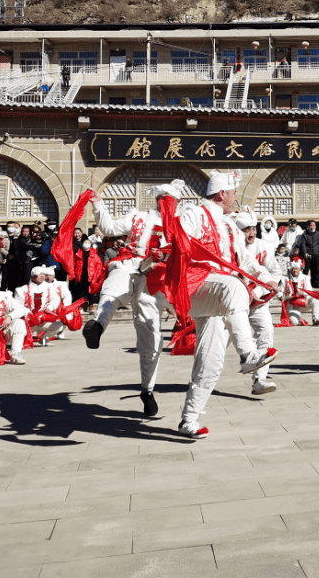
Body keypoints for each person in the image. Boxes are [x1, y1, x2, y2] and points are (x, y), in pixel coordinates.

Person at [165, 171, 280, 440]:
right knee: (234, 286)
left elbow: (245, 262)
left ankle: (188, 420)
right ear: (221, 194)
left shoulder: (229, 226)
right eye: (233, 193)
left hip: (219, 297)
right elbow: (177, 236)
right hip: (197, 287)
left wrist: (266, 278)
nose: (235, 198)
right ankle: (248, 354)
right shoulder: (195, 213)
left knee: (210, 361)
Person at [82, 189, 169, 417]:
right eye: (163, 200)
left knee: (151, 334)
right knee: (114, 288)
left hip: (155, 276)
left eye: (171, 200)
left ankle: (147, 390)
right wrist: (98, 204)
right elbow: (109, 228)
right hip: (129, 262)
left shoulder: (180, 226)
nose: (166, 204)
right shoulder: (138, 217)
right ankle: (97, 326)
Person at [238, 209, 281, 394]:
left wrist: (258, 290)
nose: (252, 233)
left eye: (253, 228)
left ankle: (259, 379)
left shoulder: (264, 247)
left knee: (266, 332)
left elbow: (275, 272)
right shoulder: (231, 247)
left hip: (258, 302)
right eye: (247, 229)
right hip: (233, 304)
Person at [299, 220, 319, 288]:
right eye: (311, 225)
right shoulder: (304, 234)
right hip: (308, 254)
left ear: (315, 226)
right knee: (306, 270)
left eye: (314, 225)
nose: (312, 227)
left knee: (316, 270)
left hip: (316, 254)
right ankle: (304, 285)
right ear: (308, 226)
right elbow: (303, 244)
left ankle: (315, 284)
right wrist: (305, 253)